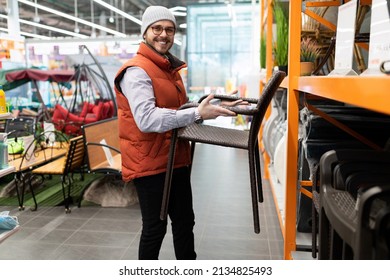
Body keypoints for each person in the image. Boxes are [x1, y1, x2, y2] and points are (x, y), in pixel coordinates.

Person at [114, 5, 244, 260]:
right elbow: (147, 119)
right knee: (155, 228)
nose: (163, 34)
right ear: (145, 33)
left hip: (175, 157)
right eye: (157, 28)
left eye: (169, 29)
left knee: (185, 221)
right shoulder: (136, 71)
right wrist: (198, 114)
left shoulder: (168, 69)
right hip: (150, 162)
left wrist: (212, 107)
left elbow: (175, 108)